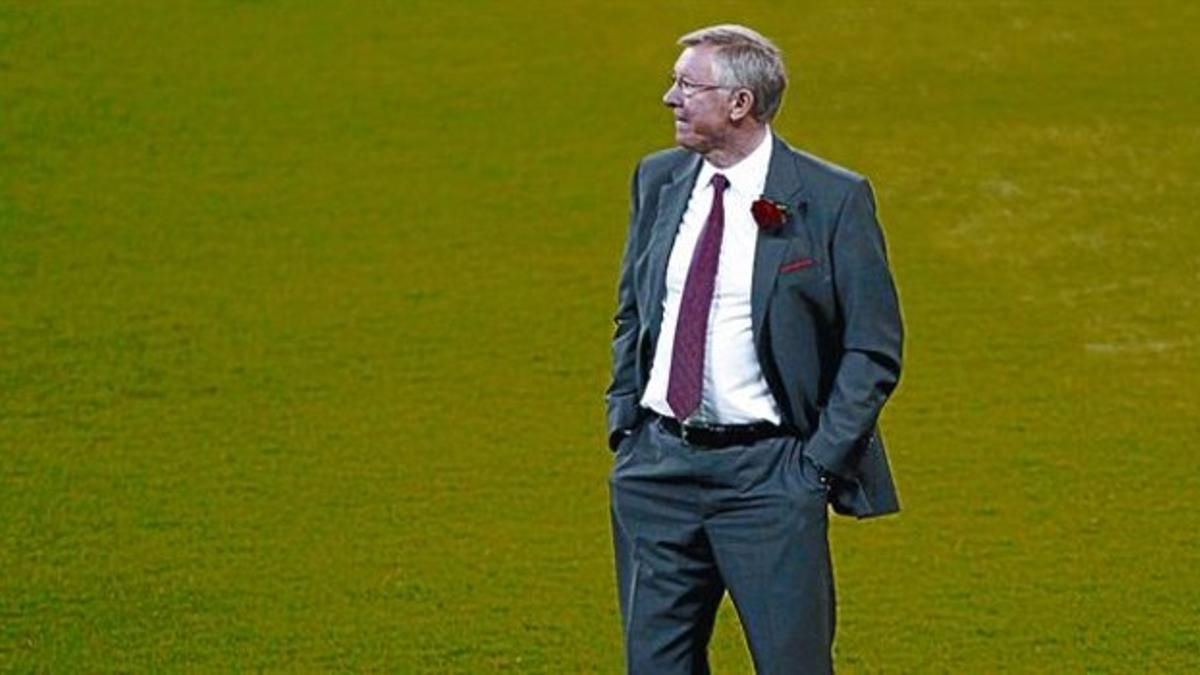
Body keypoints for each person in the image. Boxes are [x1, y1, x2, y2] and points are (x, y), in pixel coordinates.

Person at [605, 24, 904, 674]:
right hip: (656, 473)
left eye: (688, 84)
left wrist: (816, 467)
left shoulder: (831, 199)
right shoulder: (657, 180)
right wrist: (624, 425)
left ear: (740, 103)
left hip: (769, 480)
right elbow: (635, 309)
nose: (669, 98)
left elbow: (872, 348)